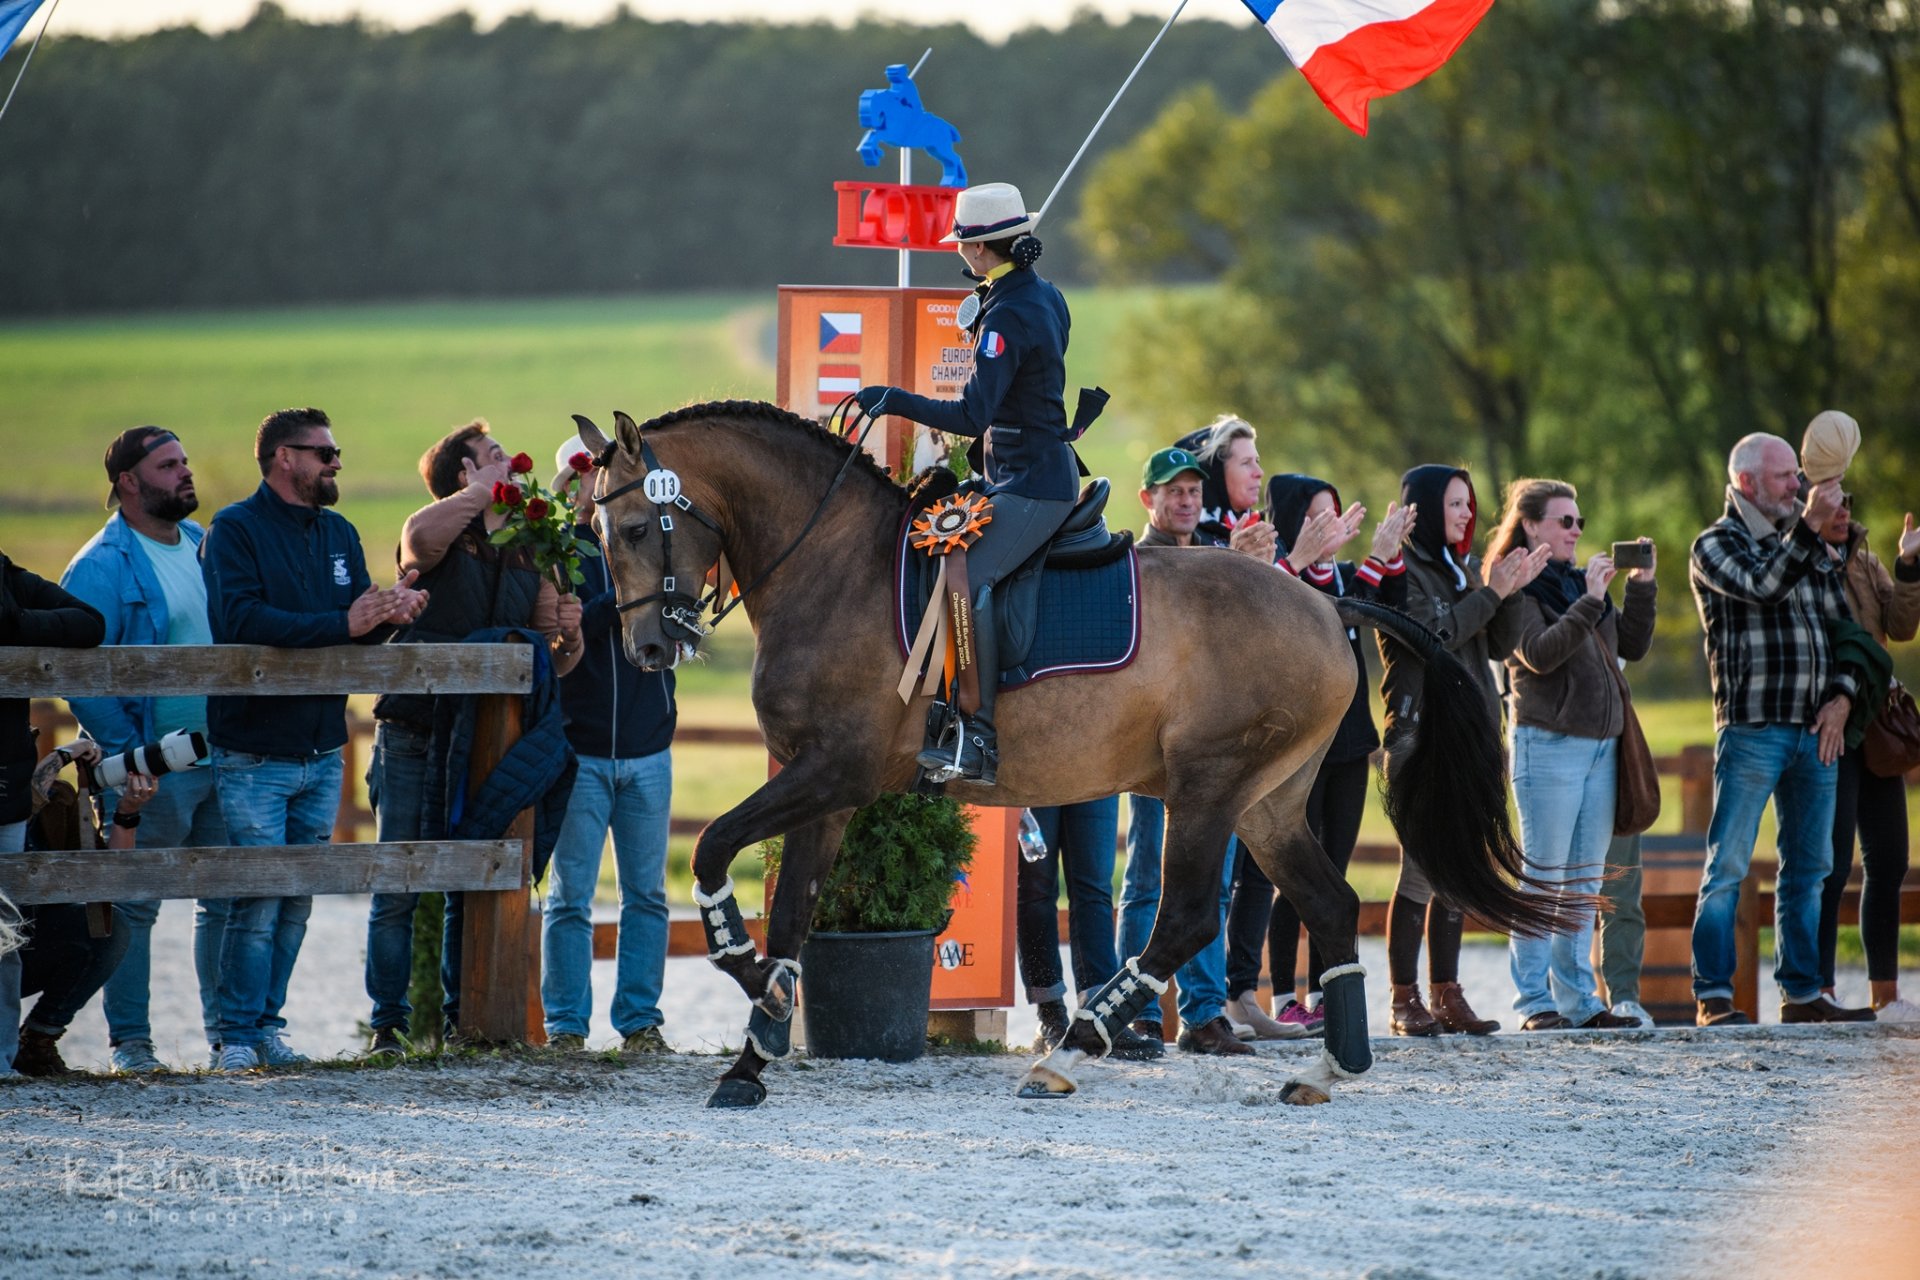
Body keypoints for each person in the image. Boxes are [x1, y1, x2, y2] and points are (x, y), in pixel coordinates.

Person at [201, 407, 427, 1071]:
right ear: (283, 459)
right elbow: (239, 619)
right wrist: (345, 618)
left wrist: (392, 614)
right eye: (323, 452)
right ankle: (235, 1037)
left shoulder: (339, 532)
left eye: (335, 452)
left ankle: (267, 1026)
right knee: (260, 894)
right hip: (253, 749)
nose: (335, 462)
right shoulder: (235, 530)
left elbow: (350, 630)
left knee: (295, 898)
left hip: (323, 744)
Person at [854, 181, 1096, 785]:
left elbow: (971, 416)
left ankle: (978, 736)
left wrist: (894, 399)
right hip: (1017, 471)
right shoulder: (1038, 296)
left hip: (1034, 484)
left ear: (981, 250)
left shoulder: (1009, 314)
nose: (960, 256)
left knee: (970, 576)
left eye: (963, 247)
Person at [362, 421, 583, 1058]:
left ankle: (467, 1024)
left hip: (487, 739)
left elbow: (550, 659)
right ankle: (389, 1027)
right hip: (413, 727)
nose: (509, 465)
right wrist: (483, 494)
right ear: (462, 473)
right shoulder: (434, 529)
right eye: (491, 458)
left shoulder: (530, 544)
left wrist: (572, 635)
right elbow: (418, 542)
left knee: (468, 881)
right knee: (398, 880)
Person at [60, 426, 230, 1073]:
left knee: (228, 898)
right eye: (168, 465)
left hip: (224, 756)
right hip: (154, 770)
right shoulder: (101, 565)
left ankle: (228, 1038)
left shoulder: (202, 544)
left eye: (185, 462)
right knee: (134, 904)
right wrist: (135, 758)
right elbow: (81, 675)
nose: (185, 474)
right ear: (129, 482)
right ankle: (131, 1045)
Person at [1688, 431, 1872, 1025]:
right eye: (1785, 477)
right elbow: (1765, 586)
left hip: (1817, 729)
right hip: (1752, 729)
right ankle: (1714, 995)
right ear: (1747, 483)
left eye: (1798, 476)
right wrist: (1808, 530)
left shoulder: (1811, 543)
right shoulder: (1715, 544)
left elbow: (1850, 635)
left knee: (1811, 868)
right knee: (1730, 867)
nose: (1798, 485)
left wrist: (1843, 697)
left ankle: (1803, 993)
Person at [1223, 474, 1411, 1039]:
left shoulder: (1351, 576)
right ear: (1293, 524)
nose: (1332, 527)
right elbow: (1302, 611)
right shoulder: (1282, 579)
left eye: (1336, 516)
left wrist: (1388, 558)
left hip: (1350, 746)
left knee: (1334, 871)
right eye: (1318, 517)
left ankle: (1326, 990)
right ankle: (1284, 995)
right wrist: (1300, 560)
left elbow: (1385, 611)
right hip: (1300, 745)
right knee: (1292, 873)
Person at [1378, 464, 1548, 1036]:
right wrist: (1492, 591)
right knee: (1420, 873)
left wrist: (1511, 592)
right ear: (1423, 509)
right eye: (1454, 504)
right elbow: (1436, 640)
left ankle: (1447, 995)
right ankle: (1403, 1000)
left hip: (1470, 736)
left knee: (1459, 871)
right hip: (1421, 736)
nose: (1465, 515)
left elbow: (1500, 643)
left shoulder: (1460, 569)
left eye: (1468, 505)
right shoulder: (1404, 573)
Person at [1117, 444, 1273, 1056]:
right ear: (1147, 499)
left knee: (1211, 882)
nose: (1186, 501)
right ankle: (1140, 1012)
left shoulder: (1214, 562)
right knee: (1150, 882)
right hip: (1151, 747)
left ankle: (1204, 1014)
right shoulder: (1134, 564)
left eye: (1193, 492)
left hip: (1212, 749)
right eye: (1173, 491)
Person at [1488, 478, 1656, 1032]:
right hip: (1549, 744)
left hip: (1601, 748)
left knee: (1584, 881)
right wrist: (1589, 600)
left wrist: (1641, 588)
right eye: (1566, 521)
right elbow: (1538, 654)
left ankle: (1580, 1002)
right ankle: (1534, 1002)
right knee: (1544, 878)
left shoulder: (1576, 582)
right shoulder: (1520, 586)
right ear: (1532, 524)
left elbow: (1628, 645)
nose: (1577, 530)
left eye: (1579, 522)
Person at [539, 435, 677, 1056]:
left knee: (646, 895)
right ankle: (566, 1027)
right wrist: (610, 603)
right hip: (582, 750)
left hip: (648, 748)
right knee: (570, 897)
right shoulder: (553, 557)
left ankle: (640, 1022)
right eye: (582, 478)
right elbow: (559, 634)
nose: (593, 487)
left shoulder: (651, 542)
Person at [1812, 482, 1920, 1021]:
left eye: (1848, 502)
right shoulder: (1806, 563)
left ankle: (1884, 993)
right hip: (1830, 722)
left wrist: (1907, 566)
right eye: (1832, 503)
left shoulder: (1864, 559)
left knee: (1890, 860)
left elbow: (1900, 626)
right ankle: (1821, 990)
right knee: (1829, 864)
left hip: (1875, 723)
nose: (1844, 512)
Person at [0, 550, 107, 1076]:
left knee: (5, 933)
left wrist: (13, 623)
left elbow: (90, 623)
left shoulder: (6, 577)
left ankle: (3, 1059)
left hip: (6, 787)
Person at [5, 745, 157, 1077]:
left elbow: (110, 883)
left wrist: (127, 811)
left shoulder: (58, 799)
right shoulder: (24, 796)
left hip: (26, 946)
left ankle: (38, 1041)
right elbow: (24, 800)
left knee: (110, 927)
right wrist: (65, 754)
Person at [1017, 798, 1161, 1060]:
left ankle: (1102, 1015)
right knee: (1035, 889)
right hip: (1035, 772)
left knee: (1095, 889)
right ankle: (1050, 1014)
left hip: (1098, 773)